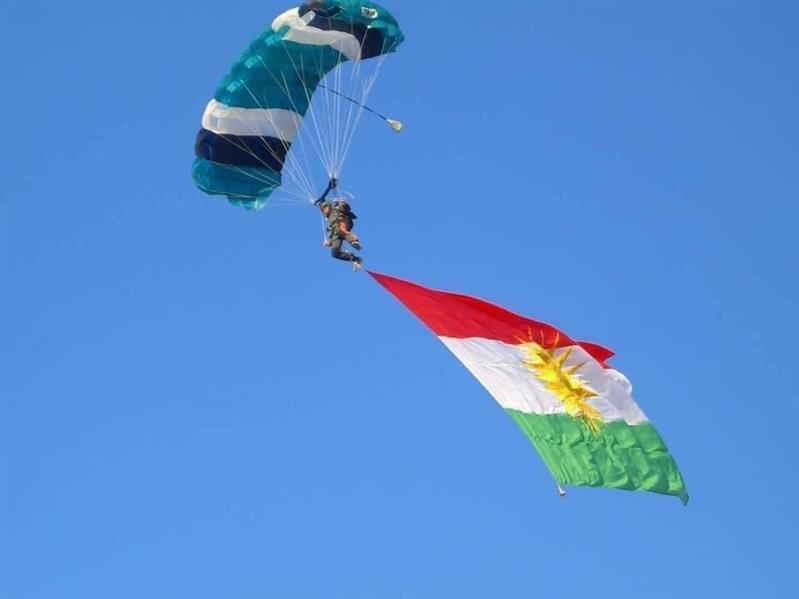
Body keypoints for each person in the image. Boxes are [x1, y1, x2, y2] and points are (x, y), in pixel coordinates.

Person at [314, 178, 363, 271]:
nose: (325, 210)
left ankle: (352, 241)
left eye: (325, 207)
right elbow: (321, 200)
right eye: (323, 209)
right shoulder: (329, 217)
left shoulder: (337, 209)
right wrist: (329, 243)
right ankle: (354, 259)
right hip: (336, 235)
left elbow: (344, 208)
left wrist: (329, 188)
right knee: (335, 254)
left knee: (342, 231)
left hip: (342, 227)